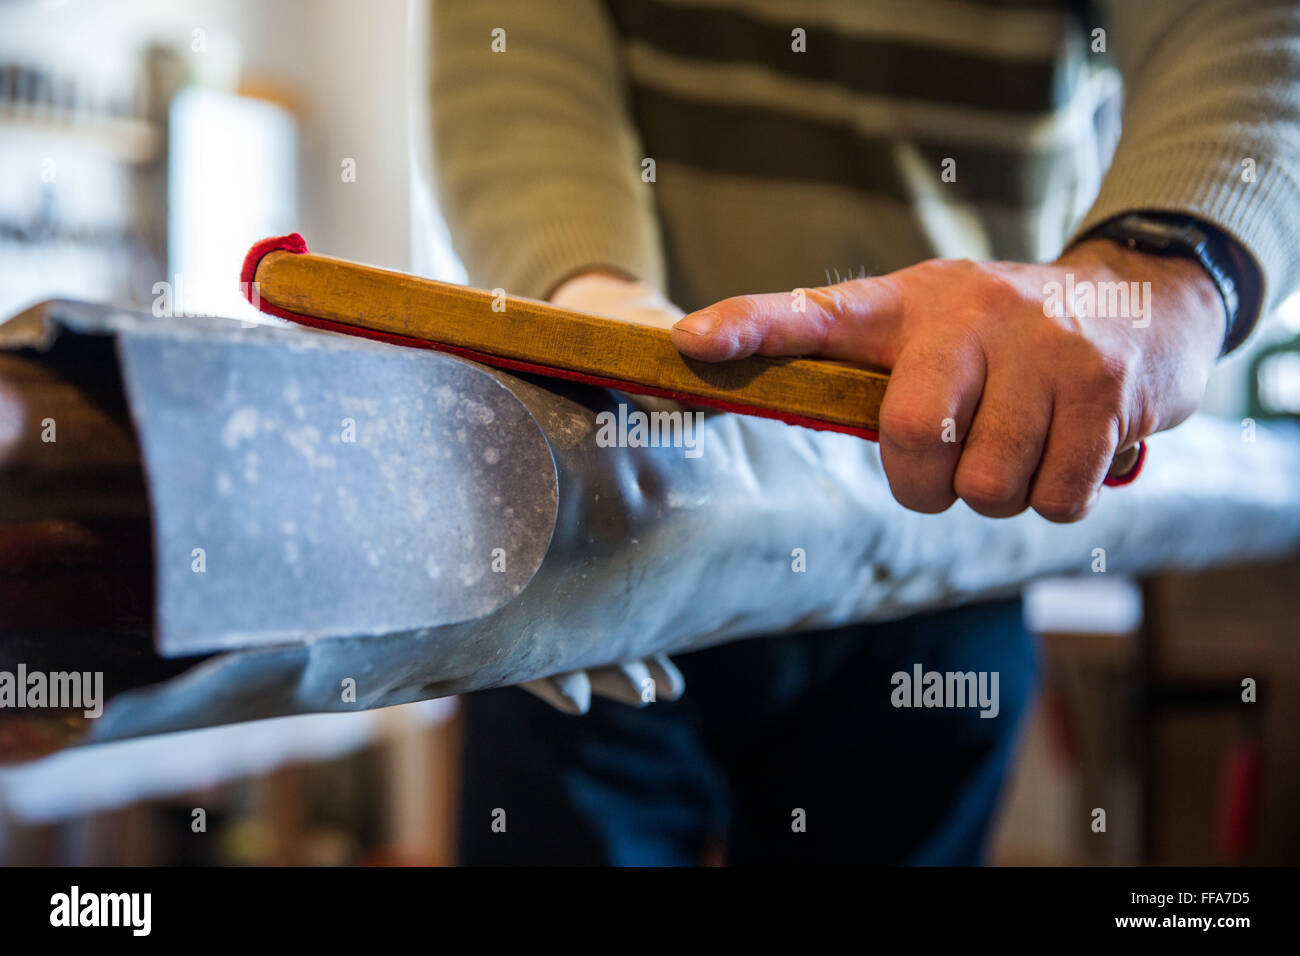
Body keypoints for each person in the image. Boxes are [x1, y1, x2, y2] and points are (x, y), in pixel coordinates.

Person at [429, 0, 1298, 864]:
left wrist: (1161, 269)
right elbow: (516, 48)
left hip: (955, 517)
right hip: (607, 498)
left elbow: (1241, 24)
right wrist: (596, 316)